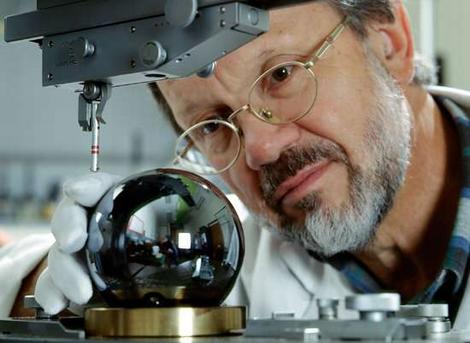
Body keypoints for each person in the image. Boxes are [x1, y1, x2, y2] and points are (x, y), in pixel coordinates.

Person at [2, 0, 469, 330]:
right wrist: (65, 294)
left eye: (282, 75)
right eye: (212, 126)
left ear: (390, 44)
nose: (260, 148)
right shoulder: (216, 279)